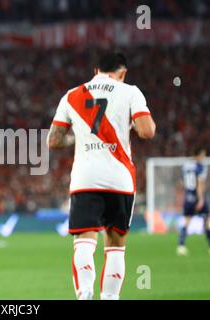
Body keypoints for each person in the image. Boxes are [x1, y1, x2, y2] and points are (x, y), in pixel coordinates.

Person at [47, 52, 156, 300]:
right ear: (123, 72)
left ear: (95, 69)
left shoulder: (72, 95)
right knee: (116, 246)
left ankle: (84, 293)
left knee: (84, 242)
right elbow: (147, 131)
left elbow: (53, 140)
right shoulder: (131, 92)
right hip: (120, 179)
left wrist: (81, 137)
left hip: (85, 179)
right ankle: (109, 298)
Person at [177, 147, 210, 256]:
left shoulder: (186, 165)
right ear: (199, 155)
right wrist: (200, 199)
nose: (204, 157)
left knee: (187, 221)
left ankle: (181, 246)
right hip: (197, 197)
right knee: (207, 220)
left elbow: (182, 182)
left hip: (188, 196)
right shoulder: (200, 166)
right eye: (203, 155)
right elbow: (200, 184)